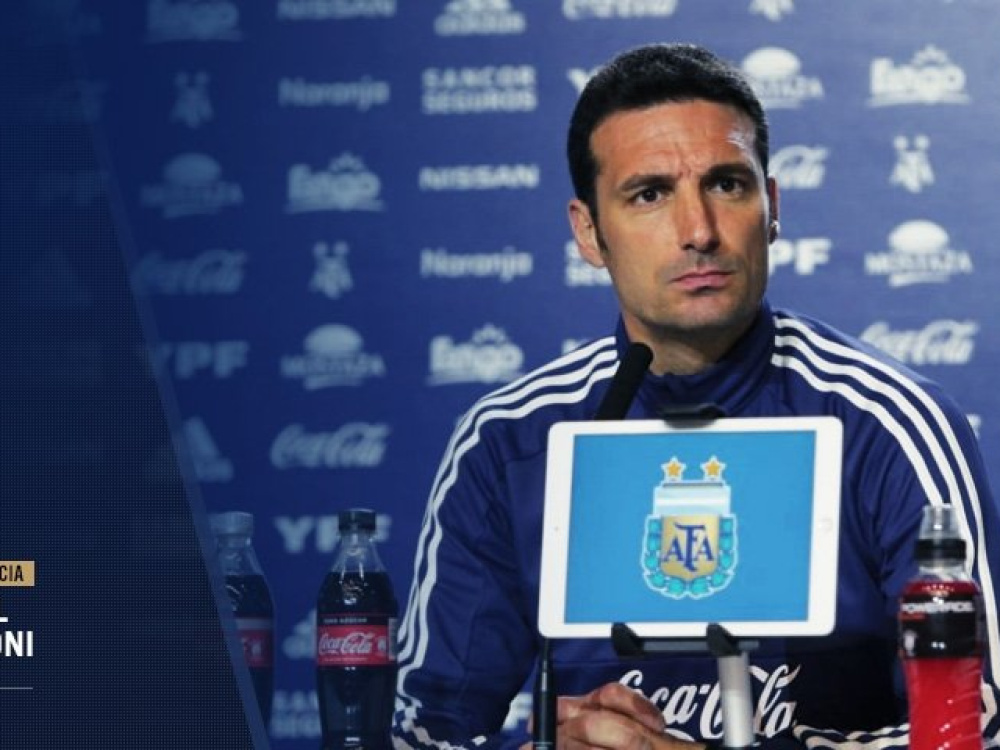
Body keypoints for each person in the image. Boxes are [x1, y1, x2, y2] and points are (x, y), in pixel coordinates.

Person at [392, 43, 1000, 750]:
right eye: (649, 194)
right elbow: (420, 732)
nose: (699, 231)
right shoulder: (509, 442)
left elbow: (980, 724)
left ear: (772, 208)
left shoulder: (889, 423)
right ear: (588, 231)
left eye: (728, 184)